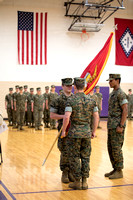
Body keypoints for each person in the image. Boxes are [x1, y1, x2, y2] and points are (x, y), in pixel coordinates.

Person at [61, 77, 99, 190]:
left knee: (75, 157)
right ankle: (85, 182)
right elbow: (96, 116)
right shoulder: (92, 100)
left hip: (74, 134)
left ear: (74, 87)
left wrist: (63, 130)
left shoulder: (71, 100)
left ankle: (77, 181)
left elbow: (67, 117)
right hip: (87, 133)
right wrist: (94, 131)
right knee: (86, 157)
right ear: (85, 86)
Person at [50, 78, 74, 183]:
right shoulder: (57, 100)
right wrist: (64, 116)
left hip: (74, 129)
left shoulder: (75, 98)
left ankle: (71, 172)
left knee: (73, 151)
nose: (69, 87)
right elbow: (52, 115)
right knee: (64, 150)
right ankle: (65, 172)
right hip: (63, 129)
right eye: (67, 85)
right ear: (62, 86)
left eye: (71, 85)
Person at [105, 74, 128, 179]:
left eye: (111, 81)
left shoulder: (121, 94)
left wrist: (121, 125)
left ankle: (119, 170)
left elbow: (125, 110)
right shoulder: (113, 93)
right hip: (111, 125)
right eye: (109, 81)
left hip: (117, 126)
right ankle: (115, 168)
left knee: (116, 148)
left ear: (117, 81)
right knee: (110, 148)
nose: (109, 83)